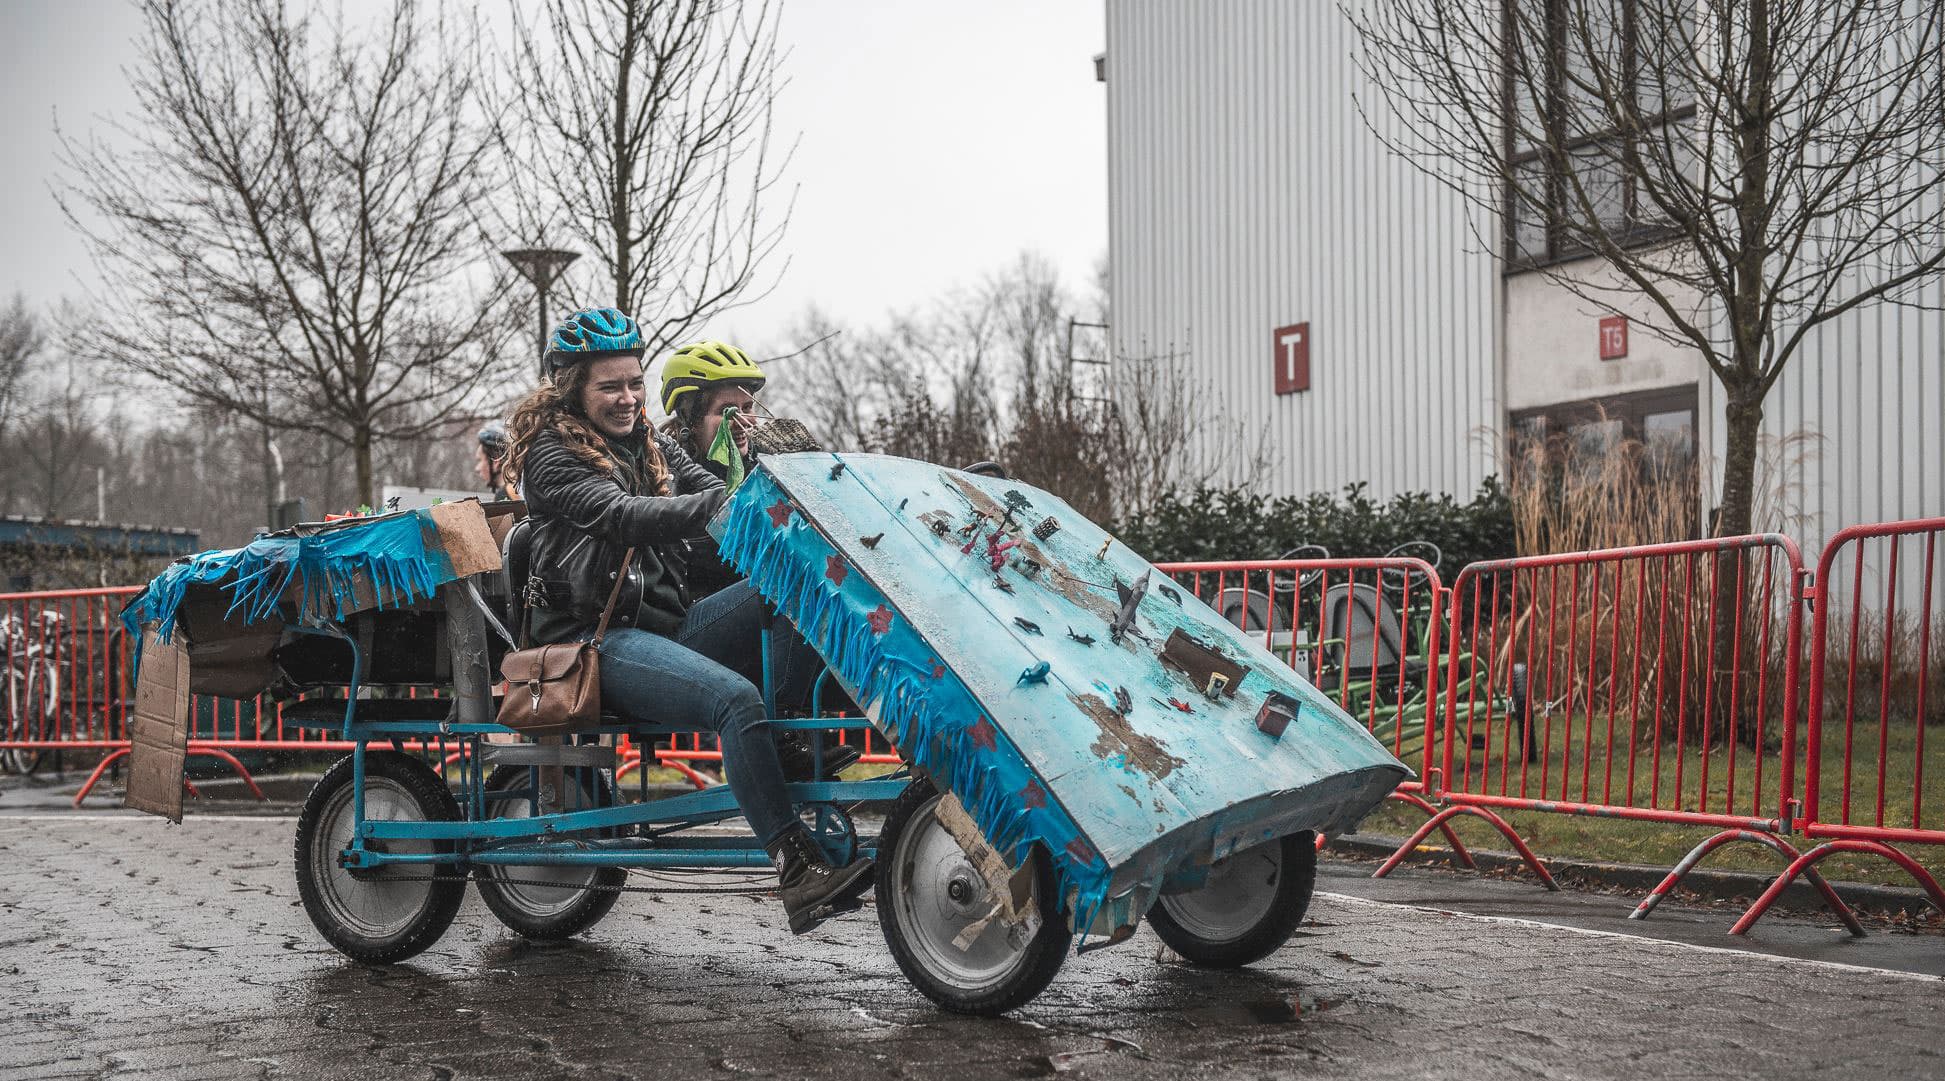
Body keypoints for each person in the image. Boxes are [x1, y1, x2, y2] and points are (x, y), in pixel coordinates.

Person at [504, 307, 873, 934]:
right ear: (573, 388)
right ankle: (796, 867)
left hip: (666, 626)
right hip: (595, 641)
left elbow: (715, 484)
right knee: (735, 699)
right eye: (611, 387)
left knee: (794, 587)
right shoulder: (551, 455)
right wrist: (717, 505)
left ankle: (779, 745)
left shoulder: (653, 442)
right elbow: (621, 513)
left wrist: (785, 496)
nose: (628, 399)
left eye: (635, 383)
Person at [475, 422, 517, 501]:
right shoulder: (526, 490)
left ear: (495, 461)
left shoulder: (504, 497)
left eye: (480, 460)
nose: (477, 468)